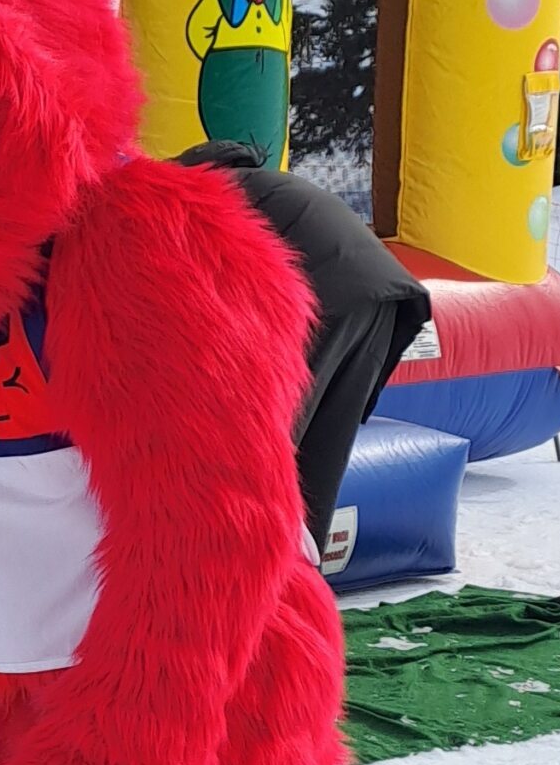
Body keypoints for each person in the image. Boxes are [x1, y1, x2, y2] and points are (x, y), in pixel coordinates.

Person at [175, 139, 433, 553]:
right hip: (386, 299)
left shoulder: (206, 195)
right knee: (324, 445)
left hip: (321, 299)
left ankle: (268, 578)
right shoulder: (268, 184)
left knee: (269, 449)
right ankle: (302, 576)